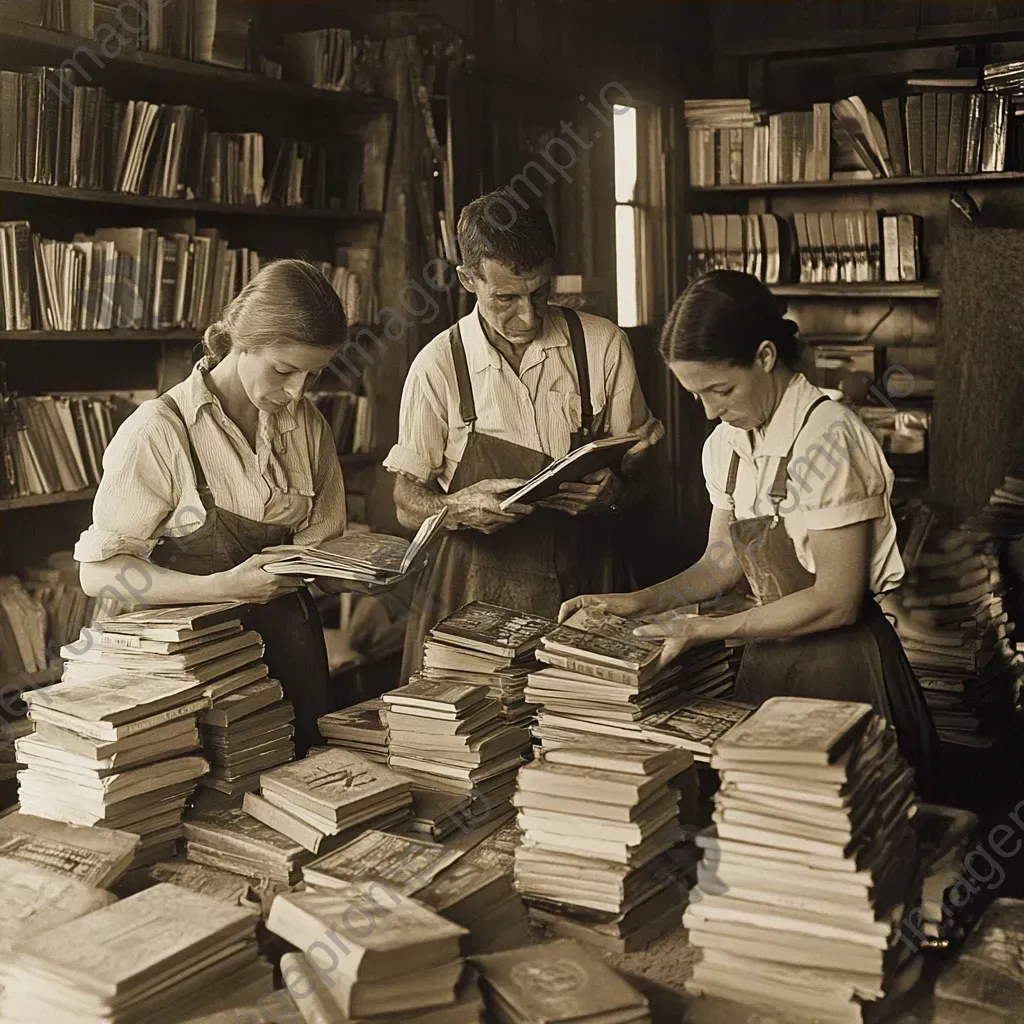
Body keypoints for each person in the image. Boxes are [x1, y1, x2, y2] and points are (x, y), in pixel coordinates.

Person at [561, 270, 939, 794]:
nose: (711, 410)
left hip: (845, 670)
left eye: (721, 389)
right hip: (767, 663)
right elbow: (721, 563)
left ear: (765, 357)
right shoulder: (727, 445)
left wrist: (705, 629)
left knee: (847, 837)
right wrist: (641, 601)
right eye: (697, 396)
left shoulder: (828, 439)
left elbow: (837, 600)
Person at [76, 259, 350, 755]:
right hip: (187, 663)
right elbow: (98, 575)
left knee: (294, 779)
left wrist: (359, 567)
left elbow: (322, 549)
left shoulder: (307, 425)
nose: (297, 392)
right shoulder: (160, 429)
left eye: (313, 374)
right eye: (284, 370)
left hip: (285, 649)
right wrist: (222, 586)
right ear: (243, 341)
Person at [386, 191, 664, 678]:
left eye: (539, 292)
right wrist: (454, 509)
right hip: (474, 597)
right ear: (468, 280)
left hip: (588, 579)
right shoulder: (438, 366)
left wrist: (616, 491)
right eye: (506, 298)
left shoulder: (602, 346)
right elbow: (406, 501)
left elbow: (640, 478)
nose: (529, 316)